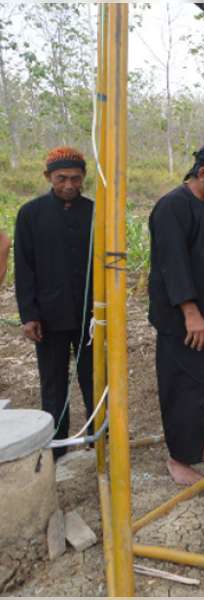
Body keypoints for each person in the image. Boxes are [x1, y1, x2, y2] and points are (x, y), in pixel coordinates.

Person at [148, 143, 204, 485]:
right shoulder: (173, 207)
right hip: (184, 321)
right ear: (203, 174)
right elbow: (174, 266)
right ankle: (180, 457)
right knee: (185, 387)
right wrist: (191, 312)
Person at [14, 147, 94, 459]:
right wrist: (29, 314)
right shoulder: (31, 214)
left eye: (75, 178)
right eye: (62, 178)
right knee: (53, 382)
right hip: (49, 315)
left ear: (84, 177)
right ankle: (57, 446)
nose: (69, 185)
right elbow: (25, 266)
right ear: (48, 177)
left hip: (90, 315)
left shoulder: (94, 212)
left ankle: (96, 438)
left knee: (93, 378)